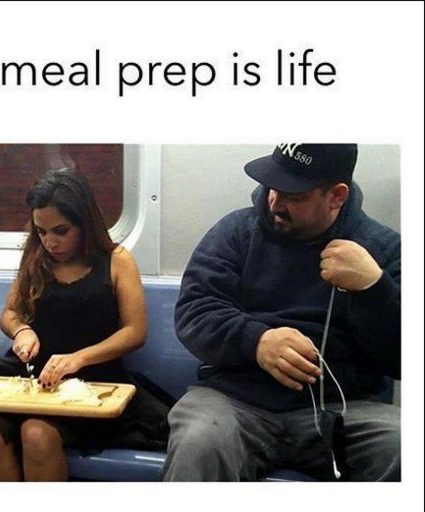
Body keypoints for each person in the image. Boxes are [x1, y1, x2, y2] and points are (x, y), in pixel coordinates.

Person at [163, 144, 400, 481]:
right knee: (199, 439)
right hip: (234, 402)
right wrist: (256, 341)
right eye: (273, 187)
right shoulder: (236, 232)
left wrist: (374, 291)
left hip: (346, 409)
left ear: (336, 196)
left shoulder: (384, 250)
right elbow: (195, 311)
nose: (275, 201)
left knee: (403, 446)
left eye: (294, 195)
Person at [0, 168, 168, 481]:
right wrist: (22, 331)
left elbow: (135, 332)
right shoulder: (36, 258)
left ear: (84, 223)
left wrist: (77, 358)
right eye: (41, 231)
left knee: (37, 434)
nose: (49, 241)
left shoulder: (117, 261)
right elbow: (10, 314)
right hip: (33, 379)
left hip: (92, 381)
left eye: (60, 231)